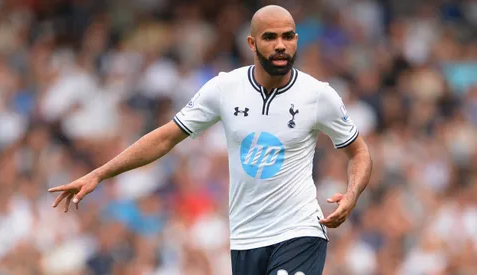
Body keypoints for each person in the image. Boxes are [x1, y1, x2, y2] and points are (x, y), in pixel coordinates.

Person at [49, 5, 372, 275]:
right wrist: (99, 173)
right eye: (270, 37)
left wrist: (353, 194)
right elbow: (165, 137)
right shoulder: (224, 88)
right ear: (251, 42)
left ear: (296, 40)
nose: (280, 45)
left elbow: (358, 152)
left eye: (288, 36)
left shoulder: (318, 95)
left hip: (300, 230)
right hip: (246, 238)